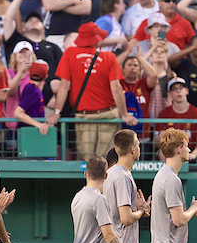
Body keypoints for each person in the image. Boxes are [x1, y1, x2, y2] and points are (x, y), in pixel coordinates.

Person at [49, 22, 135, 160]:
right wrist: (124, 114)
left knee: (86, 161)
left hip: (84, 117)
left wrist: (56, 112)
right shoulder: (109, 57)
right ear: (97, 39)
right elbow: (117, 89)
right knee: (106, 161)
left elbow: (64, 86)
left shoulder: (69, 54)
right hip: (108, 115)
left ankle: (89, 182)